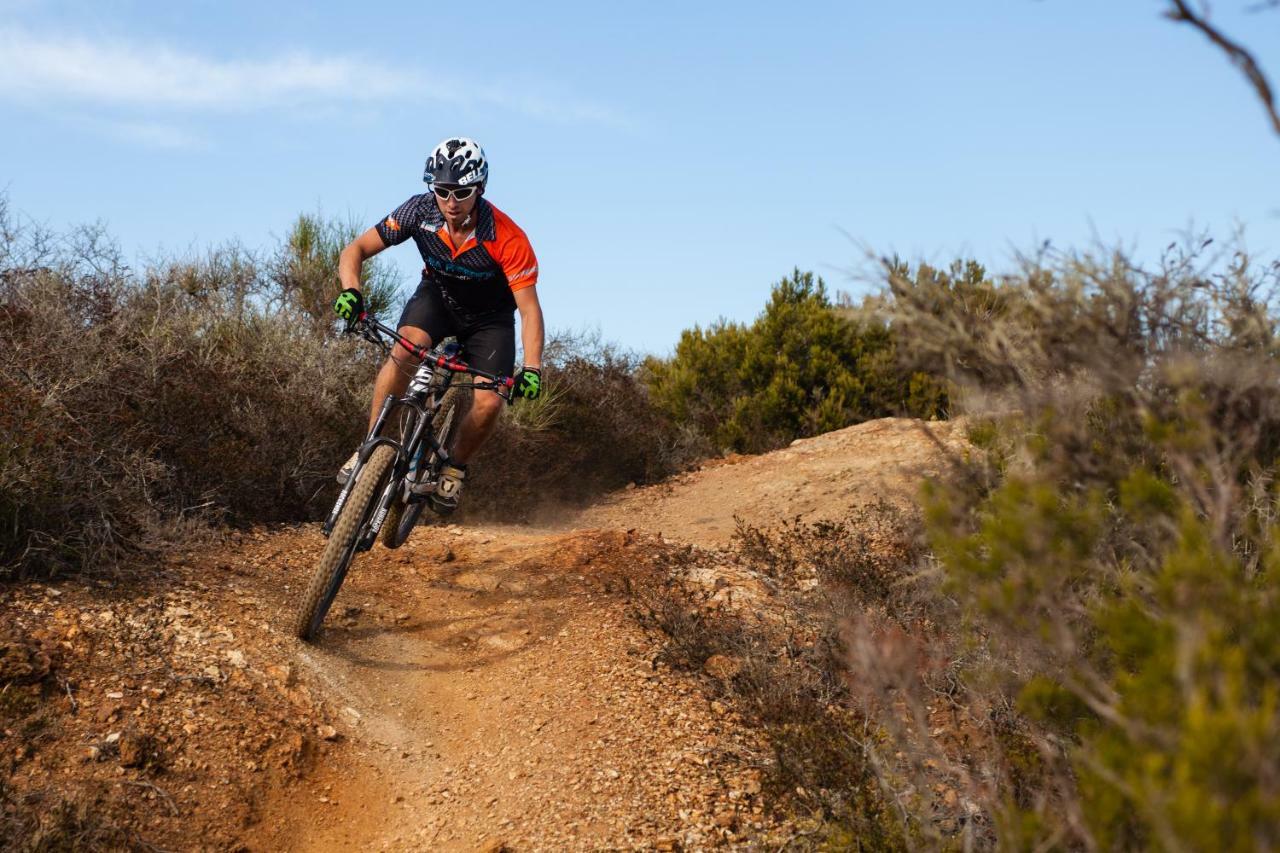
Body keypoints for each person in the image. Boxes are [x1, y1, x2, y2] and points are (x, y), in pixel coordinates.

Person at [331, 137, 544, 512]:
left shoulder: (507, 237)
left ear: (479, 188)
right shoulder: (418, 211)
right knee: (404, 349)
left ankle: (455, 467)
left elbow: (529, 310)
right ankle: (369, 446)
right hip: (439, 298)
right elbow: (356, 250)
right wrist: (352, 292)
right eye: (442, 190)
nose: (450, 201)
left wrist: (532, 369)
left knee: (490, 401)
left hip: (489, 319)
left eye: (461, 192)